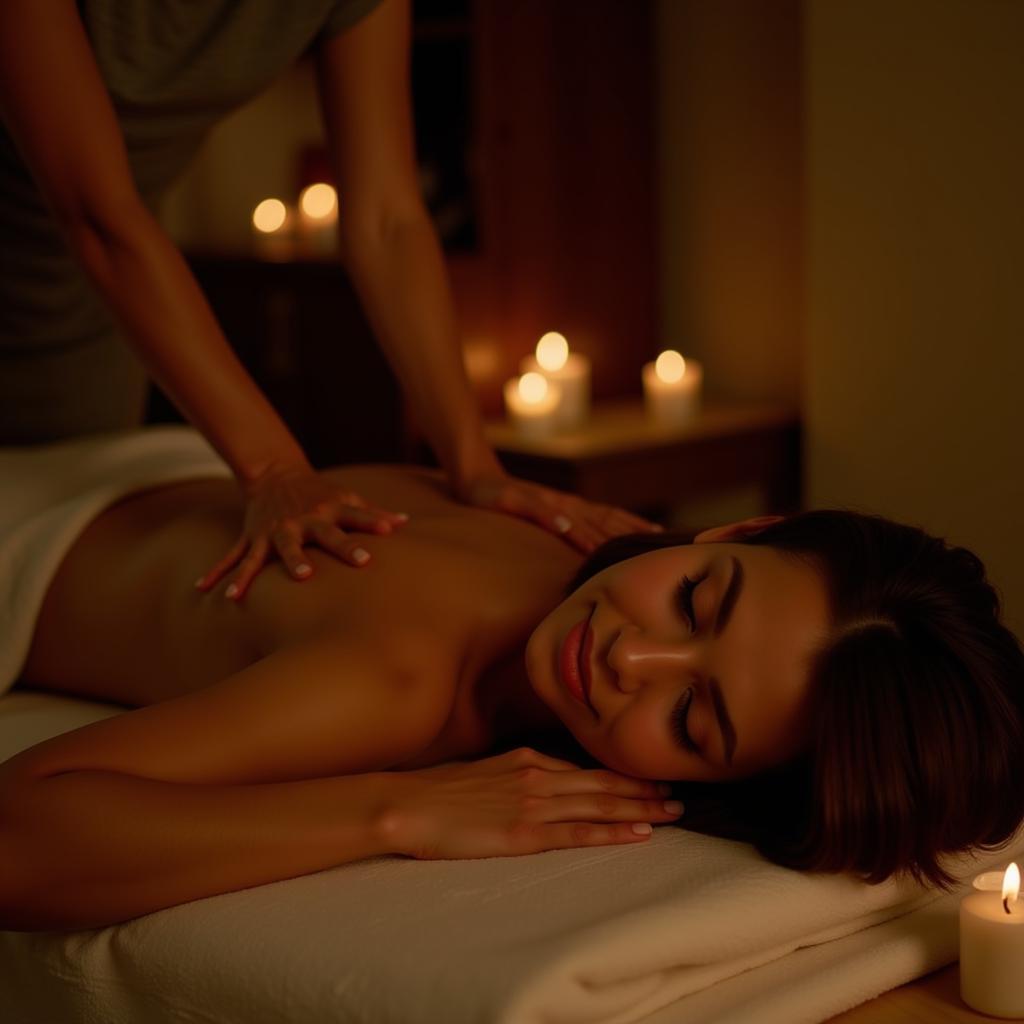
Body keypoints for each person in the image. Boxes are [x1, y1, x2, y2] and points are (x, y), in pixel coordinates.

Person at [1, 428, 1022, 932]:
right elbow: (19, 835)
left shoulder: (585, 541)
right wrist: (393, 811)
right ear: (741, 528)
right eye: (698, 601)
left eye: (693, 714)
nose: (632, 656)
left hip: (111, 461)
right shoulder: (402, 681)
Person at [0, 0, 655, 601]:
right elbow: (95, 214)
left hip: (92, 312)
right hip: (97, 250)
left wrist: (472, 461)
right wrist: (274, 468)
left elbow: (387, 220)